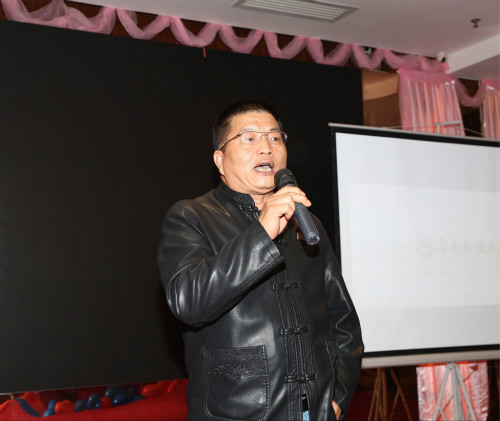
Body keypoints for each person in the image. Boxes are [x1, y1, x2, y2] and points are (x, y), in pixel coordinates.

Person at [158, 100, 363, 421]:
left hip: (316, 411)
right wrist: (262, 232)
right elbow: (188, 302)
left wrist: (337, 398)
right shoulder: (190, 216)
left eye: (275, 137)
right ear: (220, 160)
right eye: (249, 137)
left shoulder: (307, 223)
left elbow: (344, 323)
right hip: (239, 413)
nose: (266, 147)